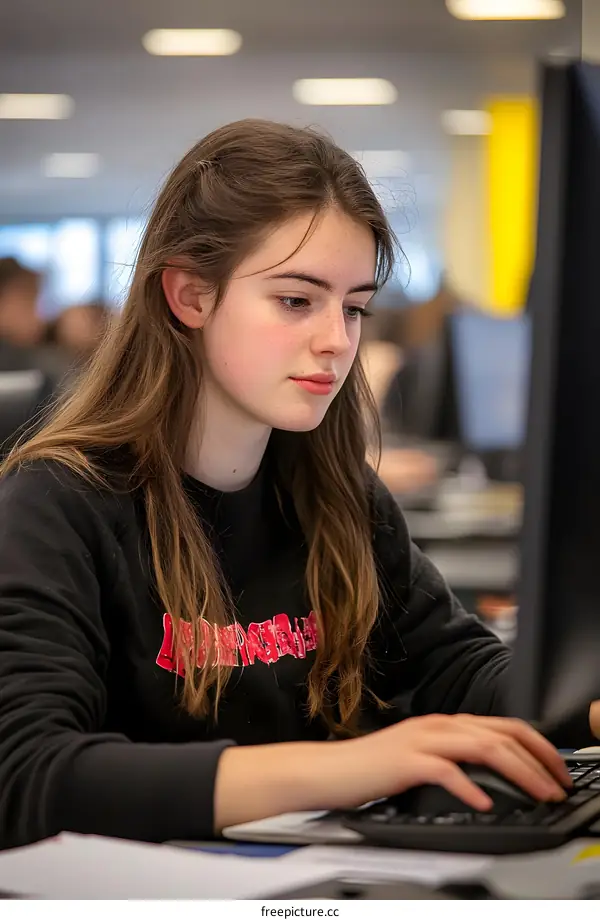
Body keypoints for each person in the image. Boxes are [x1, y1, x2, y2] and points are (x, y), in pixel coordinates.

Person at [0, 119, 589, 852]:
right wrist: (345, 769)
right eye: (295, 300)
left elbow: (459, 671)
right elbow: (26, 774)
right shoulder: (59, 503)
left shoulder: (339, 499)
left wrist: (588, 704)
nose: (337, 341)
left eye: (354, 307)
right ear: (189, 296)